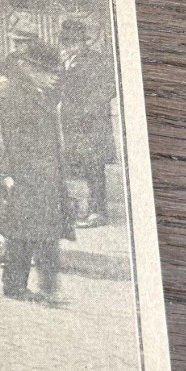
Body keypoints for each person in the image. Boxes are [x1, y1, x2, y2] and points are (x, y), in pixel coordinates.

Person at [0, 39, 75, 306]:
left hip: (46, 175)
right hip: (26, 176)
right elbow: (7, 140)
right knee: (23, 234)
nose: (54, 77)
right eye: (47, 71)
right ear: (28, 68)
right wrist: (8, 175)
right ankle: (16, 286)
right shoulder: (13, 96)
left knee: (45, 232)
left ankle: (47, 288)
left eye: (56, 72)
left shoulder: (39, 93)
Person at [58, 19, 118, 228]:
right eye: (67, 41)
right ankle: (86, 208)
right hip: (73, 123)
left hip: (92, 123)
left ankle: (98, 212)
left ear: (84, 42)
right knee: (81, 166)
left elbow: (109, 87)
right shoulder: (65, 62)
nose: (70, 46)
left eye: (75, 41)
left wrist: (89, 108)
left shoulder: (97, 60)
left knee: (94, 166)